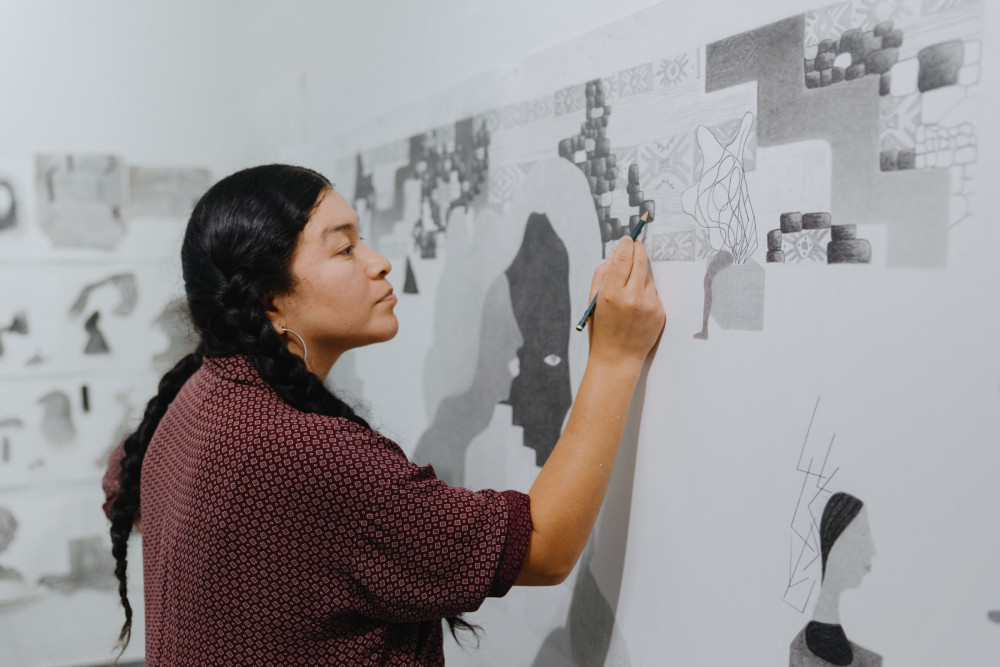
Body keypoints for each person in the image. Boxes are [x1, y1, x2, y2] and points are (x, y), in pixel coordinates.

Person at [102, 164, 664, 666]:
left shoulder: (201, 391)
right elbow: (542, 548)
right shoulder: (306, 453)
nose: (379, 262)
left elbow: (119, 479)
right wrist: (614, 359)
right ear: (269, 297)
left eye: (362, 241)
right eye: (344, 249)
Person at [789, 492, 881, 667]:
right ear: (837, 546)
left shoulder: (870, 660)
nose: (871, 550)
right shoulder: (802, 653)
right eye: (862, 535)